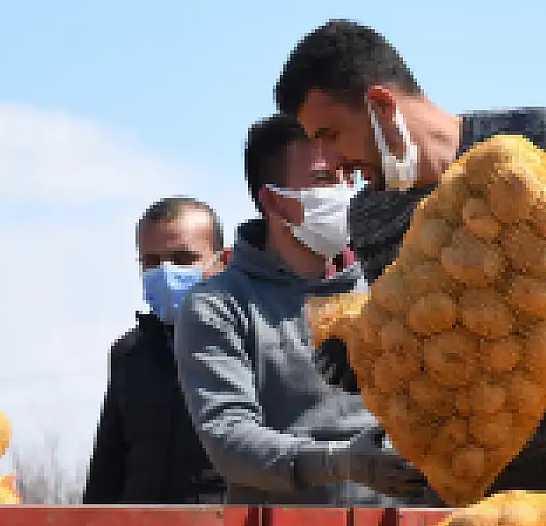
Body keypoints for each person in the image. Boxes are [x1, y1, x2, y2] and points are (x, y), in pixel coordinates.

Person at [273, 19, 546, 493]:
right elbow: (426, 357)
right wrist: (361, 357)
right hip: (478, 474)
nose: (330, 161)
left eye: (331, 134)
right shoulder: (370, 216)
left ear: (381, 104)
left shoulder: (541, 138)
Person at [174, 114, 427, 505]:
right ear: (274, 200)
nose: (345, 190)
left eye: (348, 176)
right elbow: (229, 436)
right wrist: (340, 462)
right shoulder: (219, 306)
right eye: (325, 179)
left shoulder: (391, 287)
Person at [82, 197, 229, 504]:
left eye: (182, 259)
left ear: (221, 262)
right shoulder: (129, 354)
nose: (165, 272)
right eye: (151, 261)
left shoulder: (250, 344)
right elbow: (106, 475)